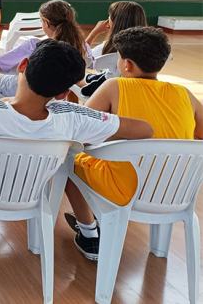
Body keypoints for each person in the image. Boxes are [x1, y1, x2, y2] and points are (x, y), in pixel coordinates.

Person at [0, 39, 152, 220]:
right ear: (63, 93)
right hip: (30, 189)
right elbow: (144, 129)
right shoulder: (72, 117)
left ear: (22, 65)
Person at [65, 26, 202, 261]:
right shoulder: (184, 94)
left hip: (125, 189)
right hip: (174, 188)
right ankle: (157, 246)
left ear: (127, 64)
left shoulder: (114, 86)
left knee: (68, 161)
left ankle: (88, 232)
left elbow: (80, 129)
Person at [0, 0, 91, 97]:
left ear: (46, 23)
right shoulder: (82, 46)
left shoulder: (35, 45)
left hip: (28, 92)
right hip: (59, 93)